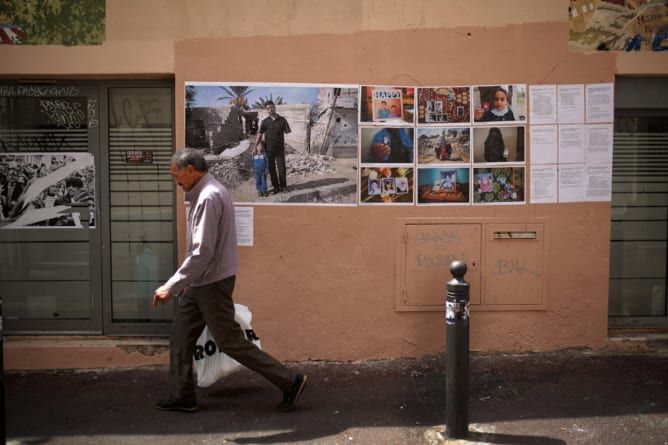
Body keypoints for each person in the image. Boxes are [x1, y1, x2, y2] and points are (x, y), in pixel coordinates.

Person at [153, 148, 307, 413]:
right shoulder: (205, 192)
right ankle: (182, 396)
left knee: (230, 341)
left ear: (190, 170)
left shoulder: (208, 197)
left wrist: (171, 285)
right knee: (180, 336)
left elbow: (202, 252)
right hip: (202, 282)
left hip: (210, 283)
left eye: (176, 175)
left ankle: (289, 381)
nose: (175, 180)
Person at [255, 101, 291, 194]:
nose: (270, 109)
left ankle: (283, 187)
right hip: (269, 149)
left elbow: (288, 132)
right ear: (266, 110)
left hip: (280, 148)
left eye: (271, 107)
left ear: (274, 107)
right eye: (268, 108)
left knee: (281, 168)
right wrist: (255, 146)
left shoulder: (282, 120)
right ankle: (276, 187)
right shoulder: (265, 121)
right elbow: (260, 134)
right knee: (272, 169)